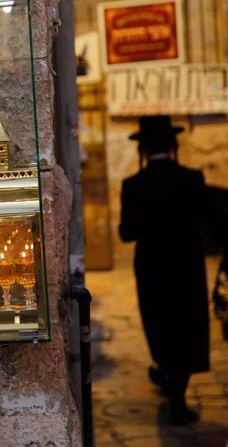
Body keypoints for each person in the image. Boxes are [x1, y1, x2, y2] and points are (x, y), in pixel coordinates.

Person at [119, 115, 211, 426]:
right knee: (187, 324)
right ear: (174, 144)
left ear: (142, 150)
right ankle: (177, 395)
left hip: (152, 267)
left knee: (160, 323)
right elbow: (209, 220)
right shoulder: (192, 179)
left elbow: (126, 232)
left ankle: (167, 376)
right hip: (186, 265)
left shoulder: (132, 186)